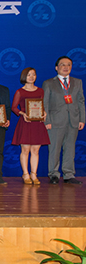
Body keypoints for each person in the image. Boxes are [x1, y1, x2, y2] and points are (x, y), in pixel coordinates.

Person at [43, 56, 85, 185]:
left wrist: (82, 119)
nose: (66, 67)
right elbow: (45, 104)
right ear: (56, 67)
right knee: (54, 149)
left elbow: (81, 101)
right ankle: (53, 174)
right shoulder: (48, 83)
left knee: (70, 149)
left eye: (69, 65)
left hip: (73, 120)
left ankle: (69, 174)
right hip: (55, 121)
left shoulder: (77, 82)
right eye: (63, 64)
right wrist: (47, 121)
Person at [11, 67, 49, 185]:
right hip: (26, 123)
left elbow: (41, 105)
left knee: (36, 150)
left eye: (33, 74)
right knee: (25, 150)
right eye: (29, 75)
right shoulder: (20, 91)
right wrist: (22, 113)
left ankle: (34, 174)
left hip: (37, 123)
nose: (31, 77)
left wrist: (44, 113)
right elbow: (14, 107)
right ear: (24, 77)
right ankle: (25, 174)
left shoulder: (40, 91)